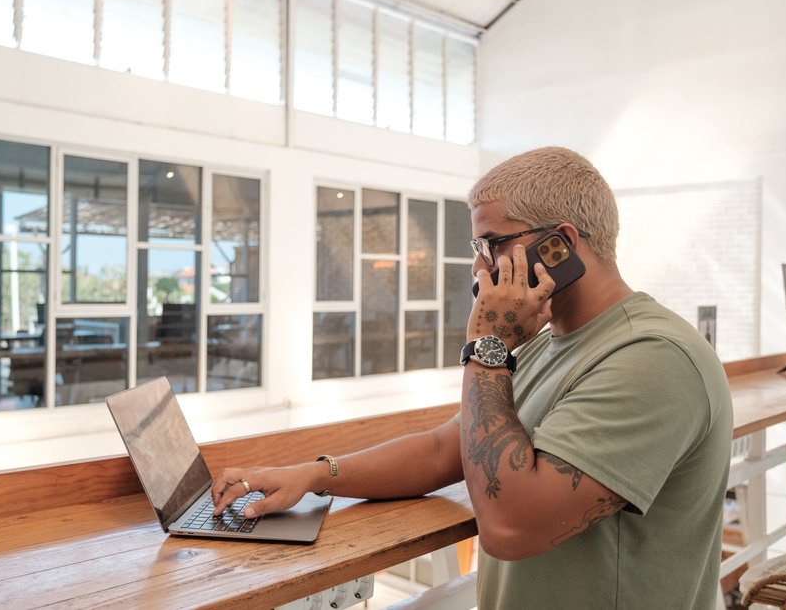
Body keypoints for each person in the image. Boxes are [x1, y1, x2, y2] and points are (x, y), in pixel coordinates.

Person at [210, 147, 733, 609]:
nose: (480, 269)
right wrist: (316, 475)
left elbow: (512, 528)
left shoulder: (653, 357)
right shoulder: (543, 343)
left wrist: (486, 347)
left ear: (562, 244)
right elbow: (446, 449)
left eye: (492, 244)